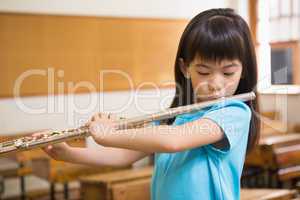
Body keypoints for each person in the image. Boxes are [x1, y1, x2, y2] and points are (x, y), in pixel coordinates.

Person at [35, 8, 260, 200]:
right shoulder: (176, 117)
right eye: (204, 71)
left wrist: (109, 134)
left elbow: (175, 140)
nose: (216, 84)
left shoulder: (234, 112)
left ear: (243, 71)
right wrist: (69, 154)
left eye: (228, 72)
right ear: (185, 68)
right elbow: (124, 156)